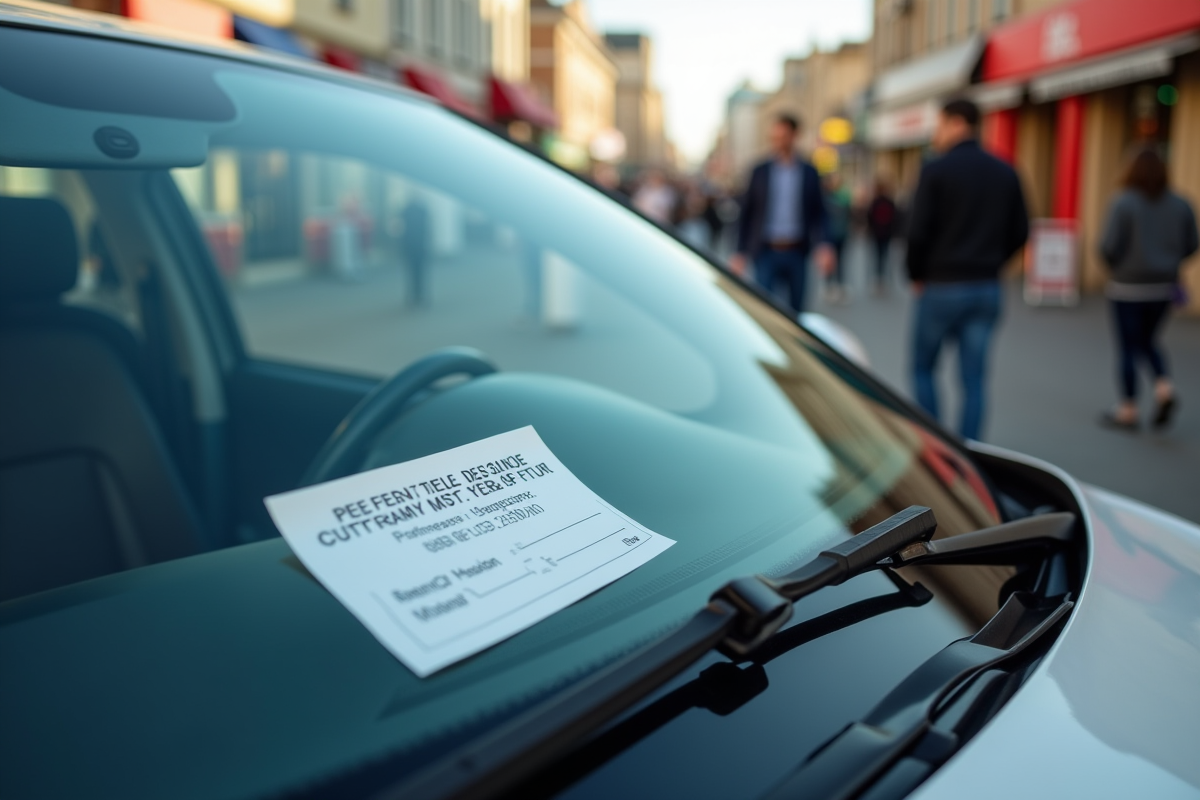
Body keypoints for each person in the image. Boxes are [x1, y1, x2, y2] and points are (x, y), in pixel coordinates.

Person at [906, 98, 1029, 441]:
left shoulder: (936, 170)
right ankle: (971, 448)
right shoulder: (1005, 170)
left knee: (922, 368)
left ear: (955, 123)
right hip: (986, 286)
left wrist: (916, 274)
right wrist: (994, 261)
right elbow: (1021, 230)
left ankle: (936, 445)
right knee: (974, 379)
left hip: (941, 285)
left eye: (939, 123)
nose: (936, 132)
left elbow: (916, 232)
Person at [1098, 147, 1199, 431]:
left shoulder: (1123, 203)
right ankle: (1164, 387)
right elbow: (1192, 243)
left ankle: (1128, 408)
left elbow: (1108, 246)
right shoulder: (1181, 204)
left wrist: (1120, 265)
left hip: (1127, 287)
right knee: (1148, 340)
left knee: (1129, 346)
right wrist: (1169, 261)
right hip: (1163, 287)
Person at [731, 113, 833, 314]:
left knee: (797, 312)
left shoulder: (809, 171)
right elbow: (747, 213)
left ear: (795, 136)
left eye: (783, 137)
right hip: (766, 251)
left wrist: (824, 244)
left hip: (797, 251)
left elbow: (819, 212)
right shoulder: (759, 171)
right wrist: (739, 252)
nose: (777, 142)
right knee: (765, 310)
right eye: (774, 137)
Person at [822, 173, 852, 304]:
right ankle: (830, 286)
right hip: (831, 235)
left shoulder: (841, 197)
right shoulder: (826, 198)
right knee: (831, 261)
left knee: (839, 261)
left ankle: (837, 286)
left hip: (840, 234)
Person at [866, 178, 899, 294]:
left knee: (879, 256)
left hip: (878, 233)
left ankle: (880, 279)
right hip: (884, 233)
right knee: (883, 256)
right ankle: (881, 279)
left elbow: (870, 217)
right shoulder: (888, 202)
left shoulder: (876, 202)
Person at [401, 196, 432, 308]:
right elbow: (428, 228)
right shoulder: (423, 210)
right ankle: (420, 296)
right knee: (420, 273)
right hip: (421, 246)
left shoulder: (405, 210)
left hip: (409, 246)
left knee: (411, 272)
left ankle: (413, 297)